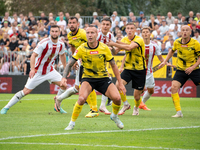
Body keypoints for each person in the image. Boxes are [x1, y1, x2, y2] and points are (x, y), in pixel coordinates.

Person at [57, 25, 126, 130]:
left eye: (92, 33)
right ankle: (71, 123)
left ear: (97, 34)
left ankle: (114, 116)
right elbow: (70, 63)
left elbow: (113, 65)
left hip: (103, 79)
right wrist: (63, 77)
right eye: (88, 33)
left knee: (117, 99)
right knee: (81, 99)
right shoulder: (81, 48)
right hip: (88, 79)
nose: (90, 35)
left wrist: (120, 83)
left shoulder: (104, 48)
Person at [0, 25, 67, 114]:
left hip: (50, 71)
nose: (54, 33)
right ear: (50, 32)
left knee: (64, 85)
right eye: (53, 31)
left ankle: (57, 104)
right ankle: (6, 108)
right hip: (38, 71)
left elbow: (62, 55)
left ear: (59, 32)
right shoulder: (44, 43)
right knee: (26, 91)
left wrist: (66, 69)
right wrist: (32, 69)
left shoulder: (61, 44)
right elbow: (33, 55)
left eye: (56, 31)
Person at [54, 17, 98, 118]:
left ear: (78, 24)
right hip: (82, 62)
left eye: (74, 23)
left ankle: (59, 98)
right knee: (84, 85)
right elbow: (73, 46)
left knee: (78, 87)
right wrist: (75, 59)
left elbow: (92, 43)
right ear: (67, 24)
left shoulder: (83, 33)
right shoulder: (69, 35)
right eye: (70, 23)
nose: (72, 24)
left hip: (90, 60)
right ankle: (94, 109)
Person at [159, 25, 200, 117]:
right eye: (183, 30)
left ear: (190, 32)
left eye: (186, 30)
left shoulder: (195, 43)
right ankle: (179, 112)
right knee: (173, 87)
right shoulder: (177, 42)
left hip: (194, 69)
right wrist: (165, 61)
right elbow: (172, 51)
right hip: (181, 70)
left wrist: (192, 67)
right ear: (180, 32)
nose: (184, 32)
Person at [107, 22, 146, 116]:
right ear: (125, 30)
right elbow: (115, 52)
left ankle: (136, 107)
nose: (129, 30)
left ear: (135, 30)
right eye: (128, 28)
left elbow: (129, 47)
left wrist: (115, 43)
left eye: (132, 28)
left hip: (140, 69)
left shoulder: (139, 39)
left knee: (136, 96)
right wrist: (111, 47)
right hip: (128, 69)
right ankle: (125, 104)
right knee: (117, 84)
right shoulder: (124, 39)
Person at [138, 26, 173, 111]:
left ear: (150, 34)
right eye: (144, 32)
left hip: (149, 72)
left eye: (147, 32)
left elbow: (161, 59)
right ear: (141, 34)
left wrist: (166, 63)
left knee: (151, 91)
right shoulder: (137, 44)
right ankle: (136, 109)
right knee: (140, 89)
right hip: (139, 71)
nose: (145, 33)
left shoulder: (154, 45)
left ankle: (141, 103)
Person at [96, 17, 117, 115]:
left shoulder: (110, 36)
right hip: (90, 63)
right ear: (100, 25)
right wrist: (105, 48)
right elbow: (90, 48)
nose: (105, 26)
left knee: (107, 79)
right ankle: (59, 99)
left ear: (110, 26)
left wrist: (119, 46)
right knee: (78, 87)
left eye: (107, 24)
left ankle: (102, 106)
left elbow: (114, 52)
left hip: (101, 64)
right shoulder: (96, 35)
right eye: (103, 24)